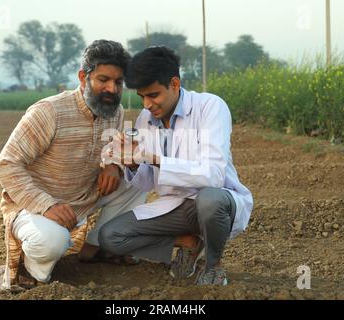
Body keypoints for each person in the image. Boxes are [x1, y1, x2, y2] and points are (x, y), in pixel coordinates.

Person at [0, 40, 147, 291]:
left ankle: (96, 247)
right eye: (103, 79)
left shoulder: (116, 112)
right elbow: (7, 165)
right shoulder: (49, 112)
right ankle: (29, 270)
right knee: (52, 241)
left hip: (83, 198)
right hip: (36, 207)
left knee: (138, 178)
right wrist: (46, 204)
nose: (111, 88)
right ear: (82, 77)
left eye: (118, 82)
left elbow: (118, 149)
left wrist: (114, 166)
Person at [98, 46, 253, 286]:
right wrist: (132, 163)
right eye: (142, 97)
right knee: (110, 236)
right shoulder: (146, 119)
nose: (147, 104)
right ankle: (188, 243)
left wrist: (154, 158)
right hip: (176, 208)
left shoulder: (210, 107)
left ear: (174, 83)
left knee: (210, 200)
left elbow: (213, 176)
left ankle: (213, 267)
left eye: (153, 95)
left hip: (216, 203)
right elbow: (150, 181)